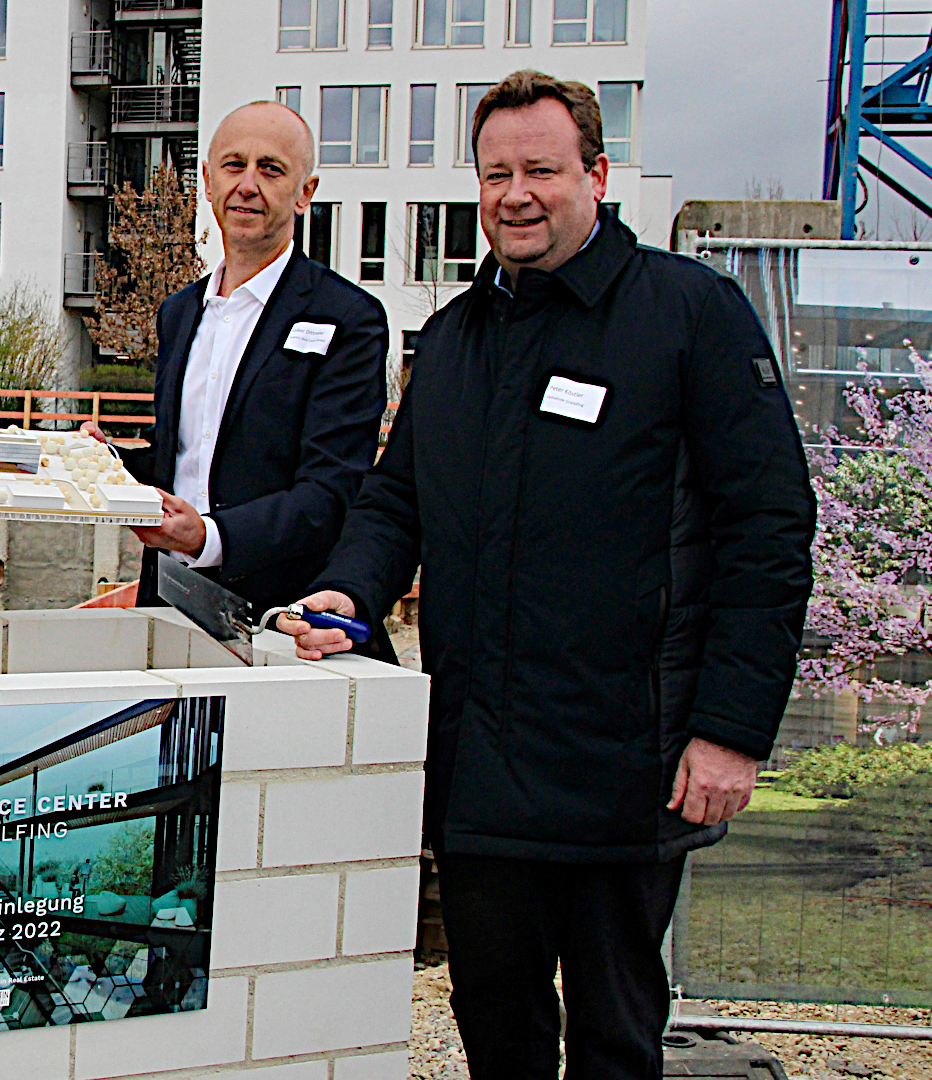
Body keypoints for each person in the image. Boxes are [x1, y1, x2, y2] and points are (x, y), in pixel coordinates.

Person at [275, 71, 816, 1080]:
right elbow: (398, 501)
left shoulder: (689, 314)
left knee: (615, 1037)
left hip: (629, 765)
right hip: (482, 768)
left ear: (597, 175)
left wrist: (731, 731)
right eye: (496, 175)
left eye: (542, 171)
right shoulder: (455, 340)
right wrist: (349, 589)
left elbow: (769, 527)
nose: (516, 195)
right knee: (495, 1026)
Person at [83, 102, 391, 654]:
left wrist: (211, 537)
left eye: (270, 169)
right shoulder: (178, 313)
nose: (248, 185)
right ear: (206, 181)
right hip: (169, 607)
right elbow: (186, 460)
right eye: (233, 165)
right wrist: (110, 465)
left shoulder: (348, 318)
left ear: (305, 192)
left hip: (283, 622)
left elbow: (331, 492)